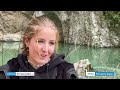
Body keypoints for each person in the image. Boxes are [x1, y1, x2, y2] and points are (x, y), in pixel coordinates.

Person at [0, 15, 78, 79]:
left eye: (51, 43)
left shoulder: (65, 70)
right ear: (27, 41)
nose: (46, 49)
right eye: (40, 41)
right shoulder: (11, 69)